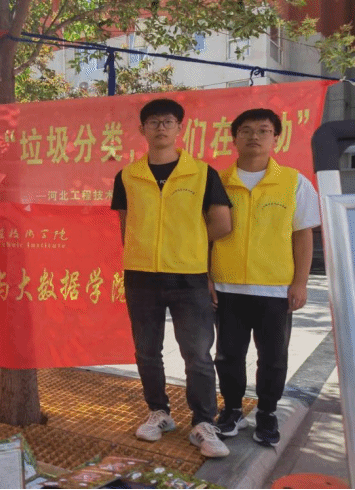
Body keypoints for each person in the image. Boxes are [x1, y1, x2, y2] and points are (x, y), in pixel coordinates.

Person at [110, 98, 233, 458]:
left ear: (180, 128)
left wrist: (188, 245)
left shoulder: (202, 173)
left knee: (197, 354)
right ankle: (159, 412)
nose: (160, 128)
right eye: (153, 122)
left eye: (167, 122)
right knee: (147, 351)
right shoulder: (128, 176)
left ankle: (203, 423)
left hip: (188, 277)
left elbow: (222, 223)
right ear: (142, 129)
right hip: (141, 276)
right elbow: (125, 225)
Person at [211, 108, 320, 447]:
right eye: (246, 130)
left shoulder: (294, 182)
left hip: (275, 289)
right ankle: (231, 410)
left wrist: (300, 282)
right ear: (234, 138)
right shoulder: (216, 181)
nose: (254, 136)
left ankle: (267, 413)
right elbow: (204, 235)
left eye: (263, 130)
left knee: (273, 358)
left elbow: (303, 234)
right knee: (228, 355)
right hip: (226, 286)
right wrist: (206, 278)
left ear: (276, 138)